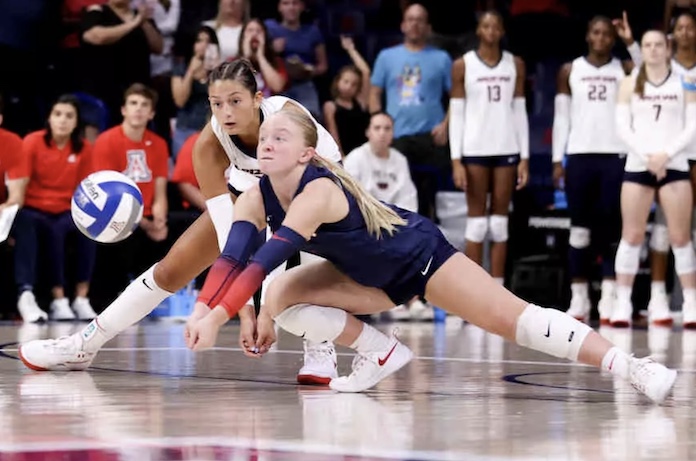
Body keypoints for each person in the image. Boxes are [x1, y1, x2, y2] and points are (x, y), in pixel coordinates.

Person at [182, 108, 675, 403]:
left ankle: (632, 366)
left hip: (418, 256)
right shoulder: (253, 193)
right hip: (366, 276)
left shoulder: (317, 192)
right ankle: (381, 350)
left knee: (516, 322)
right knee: (279, 297)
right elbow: (231, 261)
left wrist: (221, 313)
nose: (266, 144)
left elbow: (269, 254)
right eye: (264, 138)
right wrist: (208, 310)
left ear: (307, 154)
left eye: (280, 139)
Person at [18, 60, 343, 385]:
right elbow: (229, 238)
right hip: (248, 191)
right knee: (170, 271)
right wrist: (245, 309)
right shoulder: (209, 143)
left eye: (235, 101)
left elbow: (308, 207)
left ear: (257, 99)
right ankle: (83, 345)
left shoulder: (289, 124)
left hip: (318, 190)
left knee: (303, 262)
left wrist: (266, 312)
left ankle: (319, 344)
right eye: (217, 103)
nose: (226, 112)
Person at [552, 15, 639, 324]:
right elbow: (562, 118)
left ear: (612, 39)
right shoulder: (570, 70)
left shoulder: (624, 68)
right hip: (579, 156)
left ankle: (609, 297)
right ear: (588, 36)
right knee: (579, 229)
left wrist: (631, 41)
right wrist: (556, 160)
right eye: (596, 32)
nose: (601, 38)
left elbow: (648, 72)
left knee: (610, 230)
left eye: (607, 34)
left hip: (614, 156)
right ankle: (579, 298)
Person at [613, 30, 696, 327]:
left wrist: (666, 154)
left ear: (667, 47)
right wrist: (648, 155)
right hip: (639, 164)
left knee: (680, 237)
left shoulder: (684, 80)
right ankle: (621, 302)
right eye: (647, 45)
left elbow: (692, 123)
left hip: (673, 164)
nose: (653, 50)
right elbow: (622, 126)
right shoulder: (629, 82)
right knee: (632, 236)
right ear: (642, 49)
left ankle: (691, 304)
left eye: (658, 44)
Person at [449, 10, 529, 285]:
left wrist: (525, 156)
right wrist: (456, 159)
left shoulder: (514, 63)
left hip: (506, 148)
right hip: (474, 150)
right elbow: (456, 113)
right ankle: (474, 290)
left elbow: (520, 111)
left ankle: (497, 287)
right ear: (479, 31)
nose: (491, 31)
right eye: (486, 26)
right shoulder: (463, 65)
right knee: (477, 222)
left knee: (499, 223)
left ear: (502, 31)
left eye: (496, 26)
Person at [13, 95, 97, 323]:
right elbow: (21, 182)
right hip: (34, 208)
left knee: (89, 229)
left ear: (76, 122)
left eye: (69, 116)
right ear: (49, 118)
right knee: (52, 230)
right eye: (57, 114)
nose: (62, 120)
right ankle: (58, 299)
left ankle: (81, 298)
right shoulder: (32, 142)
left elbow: (85, 189)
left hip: (68, 209)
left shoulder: (84, 149)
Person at [649, 11, 696, 322]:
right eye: (679, 27)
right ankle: (657, 297)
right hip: (671, 154)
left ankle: (690, 300)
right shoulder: (662, 66)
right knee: (665, 227)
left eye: (690, 27)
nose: (685, 32)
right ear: (672, 34)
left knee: (688, 230)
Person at [323, 36, 371, 156]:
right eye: (346, 82)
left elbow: (365, 72)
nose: (349, 87)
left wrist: (351, 49)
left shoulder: (360, 102)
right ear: (338, 81)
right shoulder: (330, 106)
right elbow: (333, 133)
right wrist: (341, 157)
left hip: (364, 154)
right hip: (345, 155)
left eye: (354, 84)